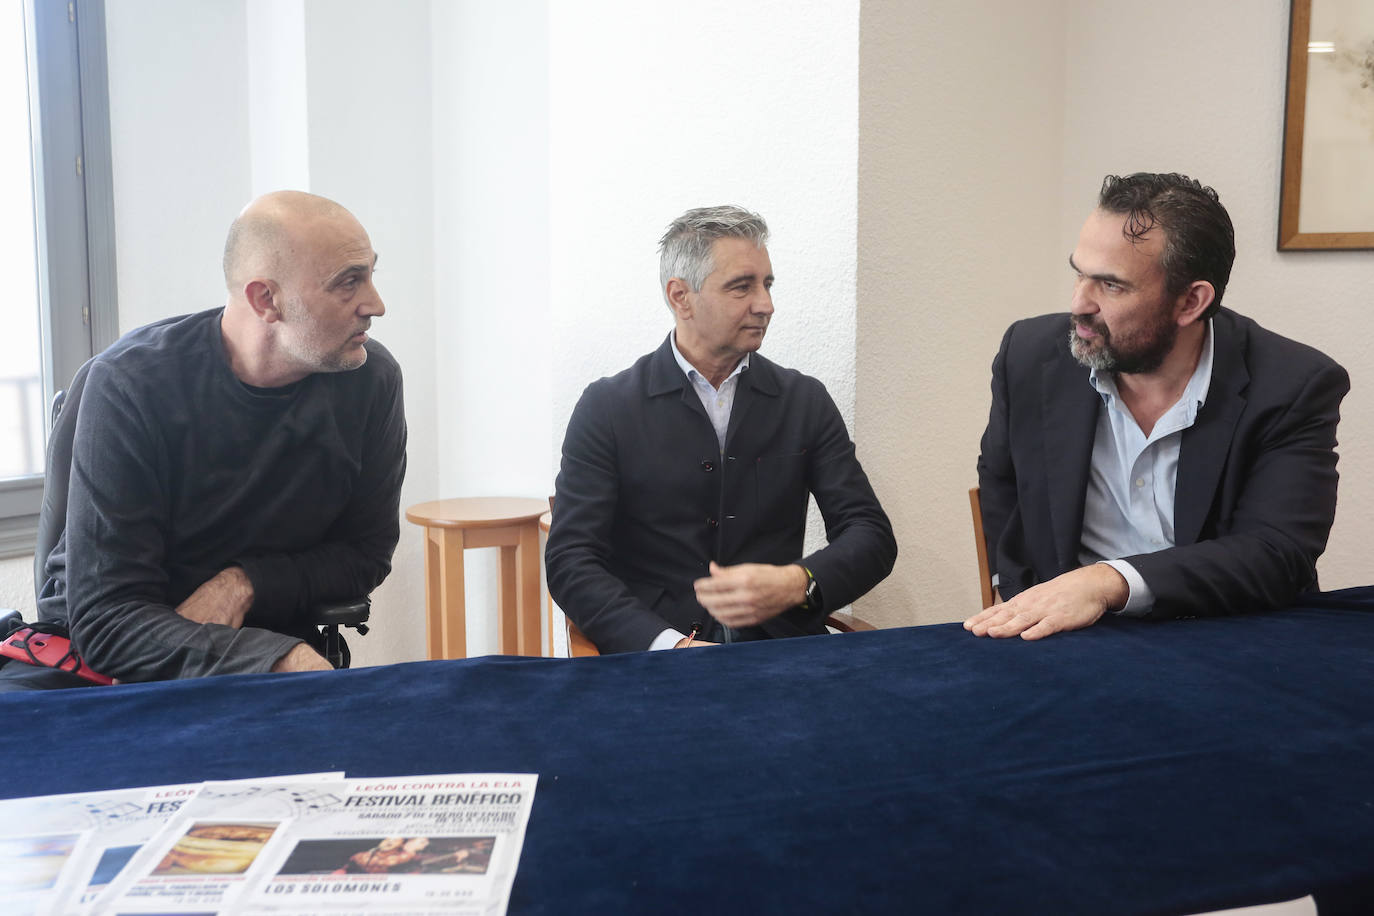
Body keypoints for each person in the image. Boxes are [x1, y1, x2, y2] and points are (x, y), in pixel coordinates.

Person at [0, 190, 406, 689]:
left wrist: (245, 584)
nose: (376, 304)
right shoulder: (131, 385)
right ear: (265, 299)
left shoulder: (371, 380)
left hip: (260, 633)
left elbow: (365, 553)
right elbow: (107, 621)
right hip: (102, 655)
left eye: (370, 273)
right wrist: (279, 659)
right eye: (349, 282)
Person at [966, 172, 1348, 641]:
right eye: (1079, 272)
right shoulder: (1028, 353)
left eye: (1110, 285)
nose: (1079, 303)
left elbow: (1277, 552)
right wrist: (1016, 589)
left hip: (1226, 633)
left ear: (1191, 301)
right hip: (1070, 637)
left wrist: (1108, 581)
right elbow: (1001, 480)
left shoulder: (1292, 384)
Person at [545, 205, 896, 653]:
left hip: (780, 655)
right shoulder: (607, 408)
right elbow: (571, 560)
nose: (765, 304)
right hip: (658, 665)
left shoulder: (803, 400)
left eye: (767, 284)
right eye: (741, 287)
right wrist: (667, 646)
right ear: (680, 297)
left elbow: (871, 535)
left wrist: (798, 582)